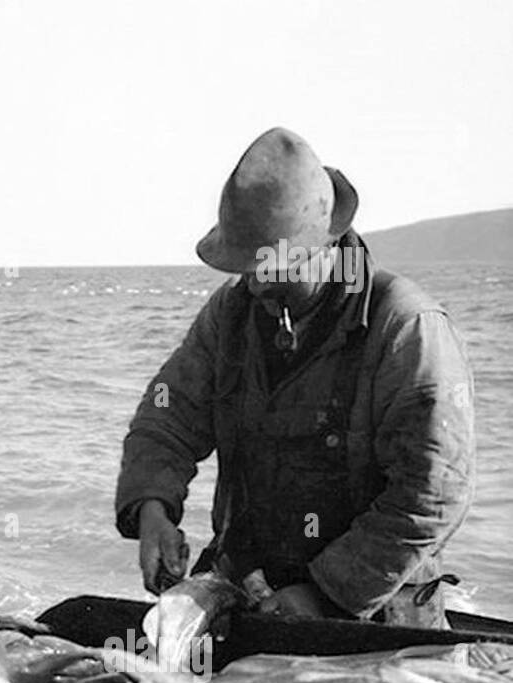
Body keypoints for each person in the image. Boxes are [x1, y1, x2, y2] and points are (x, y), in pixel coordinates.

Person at [114, 127, 475, 627]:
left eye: (271, 265)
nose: (255, 281)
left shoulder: (405, 328)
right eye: (247, 266)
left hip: (370, 620)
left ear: (321, 247)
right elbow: (166, 417)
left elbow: (431, 492)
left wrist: (327, 594)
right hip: (248, 595)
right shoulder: (233, 314)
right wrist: (152, 509)